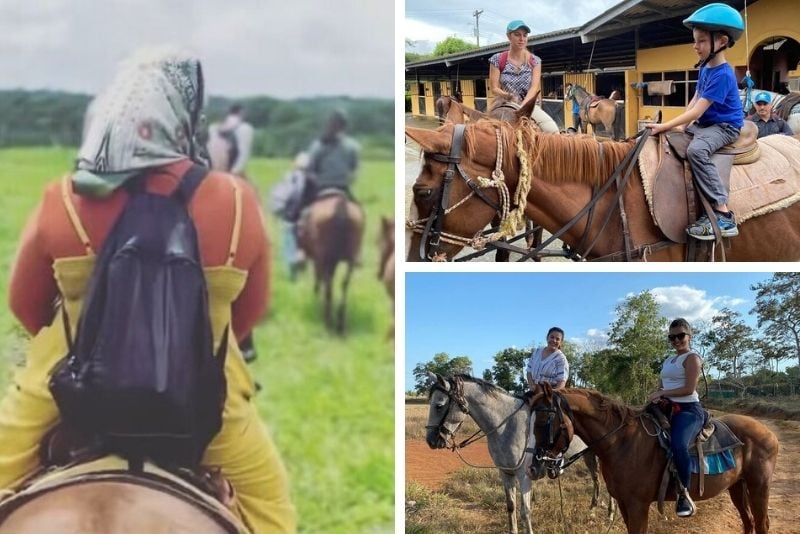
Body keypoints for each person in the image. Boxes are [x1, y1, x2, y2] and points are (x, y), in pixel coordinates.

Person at [0, 48, 294, 533]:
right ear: (186, 114)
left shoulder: (65, 197)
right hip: (206, 399)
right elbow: (249, 313)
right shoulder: (237, 200)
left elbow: (23, 304)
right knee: (271, 515)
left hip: (60, 392)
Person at [646, 3, 745, 241]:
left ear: (720, 42)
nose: (695, 46)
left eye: (701, 41)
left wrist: (666, 125)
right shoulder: (705, 67)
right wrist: (678, 126)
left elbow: (699, 110)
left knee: (697, 151)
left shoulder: (722, 73)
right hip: (705, 123)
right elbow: (695, 99)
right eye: (695, 40)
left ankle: (722, 214)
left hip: (724, 127)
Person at [207, 103, 258, 361]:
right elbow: (242, 160)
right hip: (234, 180)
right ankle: (245, 342)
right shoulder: (245, 129)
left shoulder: (214, 128)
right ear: (243, 113)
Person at [648, 318, 704, 518]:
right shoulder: (668, 360)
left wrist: (662, 394)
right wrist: (657, 395)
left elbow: (689, 388)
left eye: (680, 336)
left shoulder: (692, 358)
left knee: (679, 444)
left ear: (689, 336)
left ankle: (683, 492)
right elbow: (663, 386)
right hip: (667, 407)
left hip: (688, 409)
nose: (676, 340)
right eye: (672, 337)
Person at [488, 20, 559, 133]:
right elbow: (494, 88)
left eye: (525, 35)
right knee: (484, 132)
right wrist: (508, 96)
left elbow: (534, 87)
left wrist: (523, 106)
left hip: (529, 107)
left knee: (553, 130)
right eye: (517, 34)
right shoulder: (497, 59)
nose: (522, 39)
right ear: (509, 36)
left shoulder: (535, 61)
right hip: (506, 104)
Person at [297, 108, 359, 213]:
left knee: (300, 211)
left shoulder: (318, 145)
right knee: (358, 210)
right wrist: (347, 180)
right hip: (343, 187)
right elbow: (354, 169)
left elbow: (310, 168)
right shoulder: (353, 146)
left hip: (321, 187)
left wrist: (311, 177)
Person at [207, 103, 254, 177]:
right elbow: (243, 153)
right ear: (241, 113)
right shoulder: (245, 128)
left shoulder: (213, 127)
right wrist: (234, 173)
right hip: (231, 171)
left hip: (212, 171)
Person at [526, 327, 569, 391]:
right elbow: (529, 371)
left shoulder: (561, 359)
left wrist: (551, 394)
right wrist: (531, 385)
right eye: (552, 337)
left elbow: (561, 382)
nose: (554, 340)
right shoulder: (537, 351)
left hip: (549, 396)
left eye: (557, 339)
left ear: (561, 342)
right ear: (547, 337)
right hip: (533, 392)